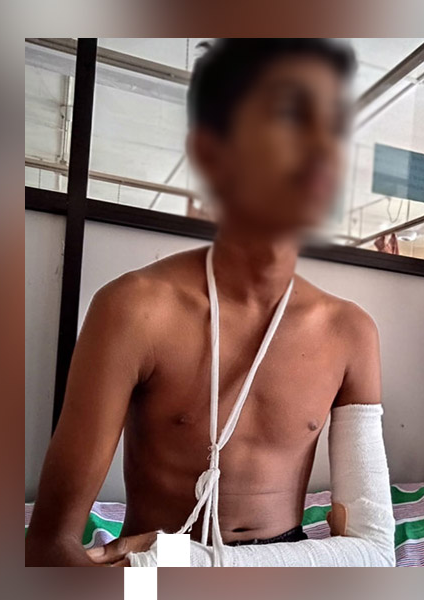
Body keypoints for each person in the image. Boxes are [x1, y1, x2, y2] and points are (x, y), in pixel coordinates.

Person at [25, 38, 395, 567]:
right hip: (152, 572)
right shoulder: (133, 310)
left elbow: (376, 553)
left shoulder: (351, 332)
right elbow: (49, 547)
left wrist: (197, 565)